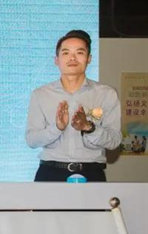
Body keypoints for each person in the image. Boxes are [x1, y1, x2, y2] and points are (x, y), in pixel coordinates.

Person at [26, 30, 121, 181]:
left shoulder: (106, 94)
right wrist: (57, 128)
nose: (72, 58)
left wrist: (89, 127)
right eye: (66, 53)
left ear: (89, 59)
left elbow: (114, 141)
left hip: (92, 173)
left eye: (79, 52)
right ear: (57, 60)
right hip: (51, 173)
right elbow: (31, 140)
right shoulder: (40, 94)